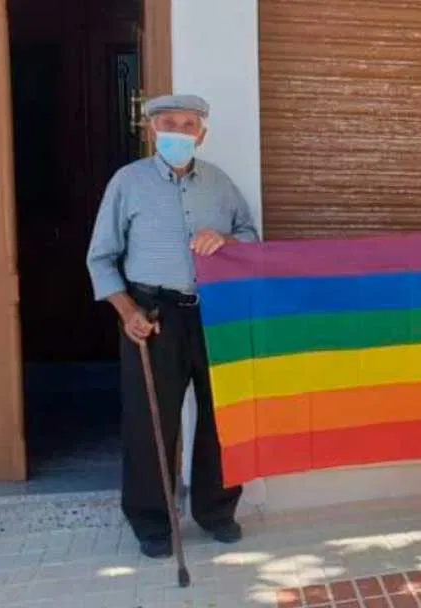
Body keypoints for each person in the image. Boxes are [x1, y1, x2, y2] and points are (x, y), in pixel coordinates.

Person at [86, 93, 259, 558]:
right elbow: (100, 258)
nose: (178, 132)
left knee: (222, 415)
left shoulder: (220, 184)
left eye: (187, 125)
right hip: (152, 315)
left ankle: (217, 512)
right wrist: (128, 314)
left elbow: (250, 237)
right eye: (168, 123)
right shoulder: (128, 183)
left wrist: (224, 238)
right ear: (151, 131)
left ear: (201, 134)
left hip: (213, 311)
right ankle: (152, 523)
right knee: (150, 421)